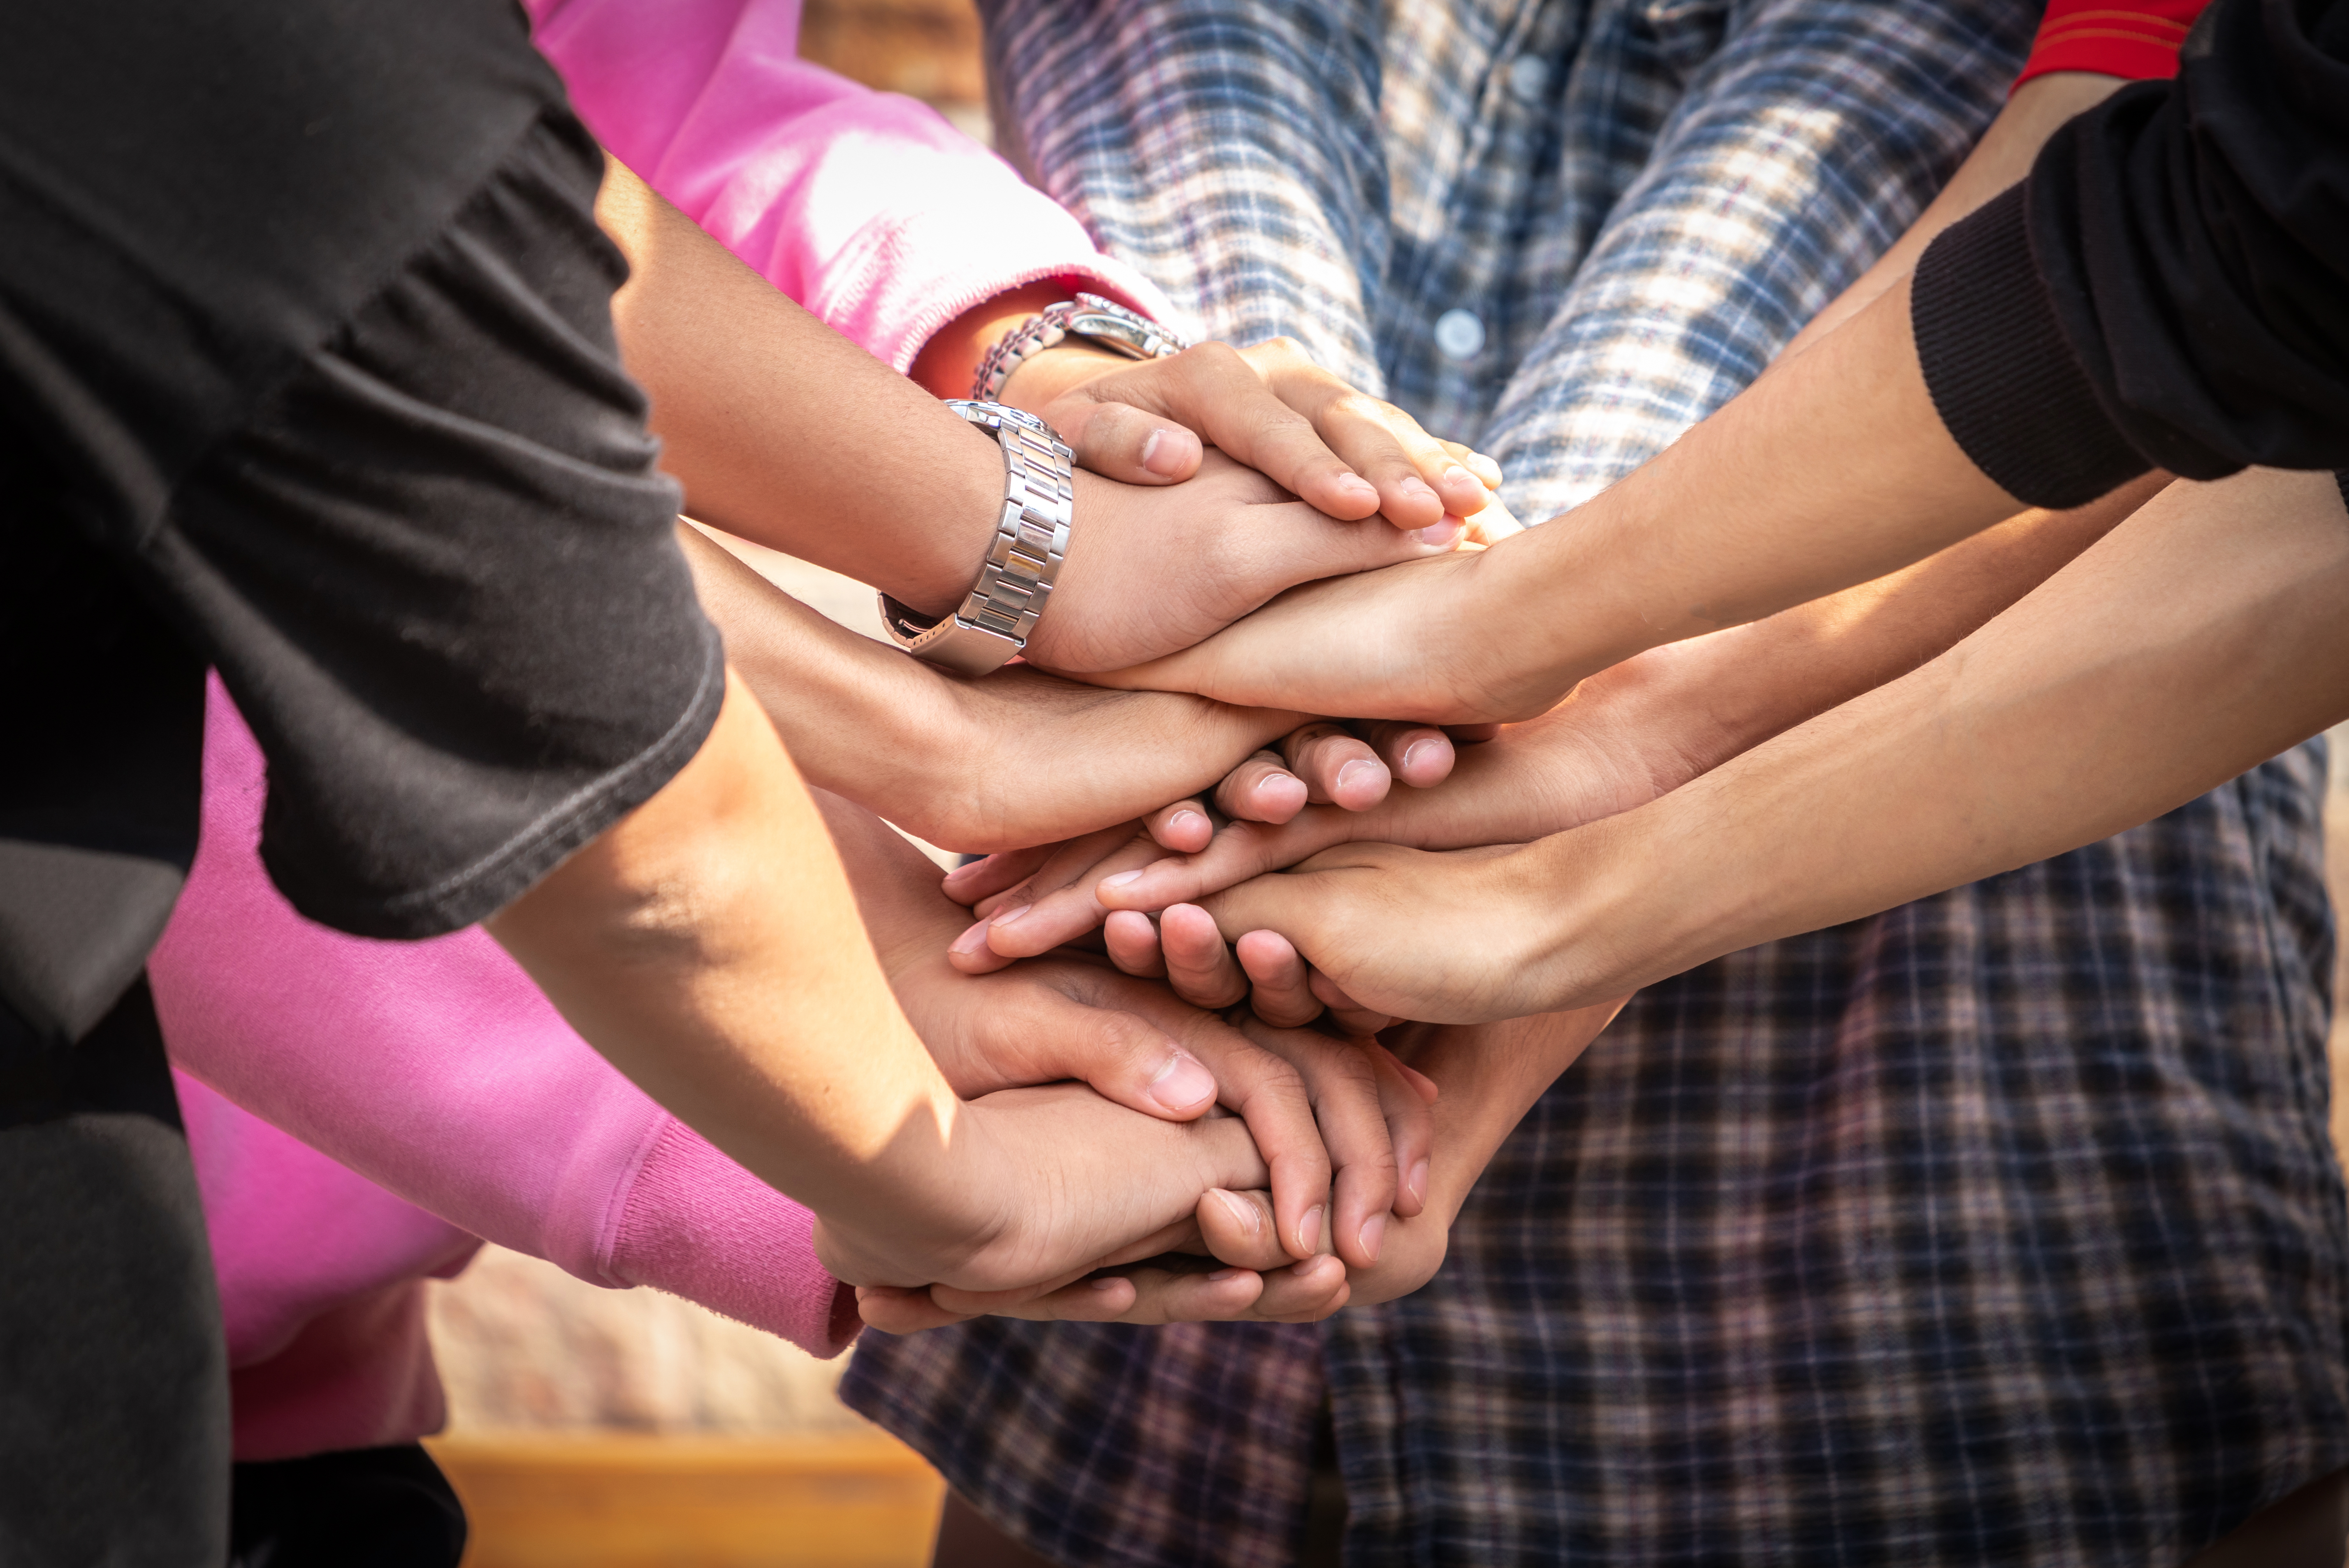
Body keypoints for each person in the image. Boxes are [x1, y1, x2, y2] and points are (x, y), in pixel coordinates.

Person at [842, 2, 2349, 1563]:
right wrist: (1254, 496)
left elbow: (2156, 249)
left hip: (1914, 1195)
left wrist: (1424, 656)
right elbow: (1183, 63)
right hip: (1161, 1370)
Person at [0, 1, 1427, 1558]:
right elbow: (336, 457)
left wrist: (1027, 370)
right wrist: (859, 1097)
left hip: (253, 1375)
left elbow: (542, 150)